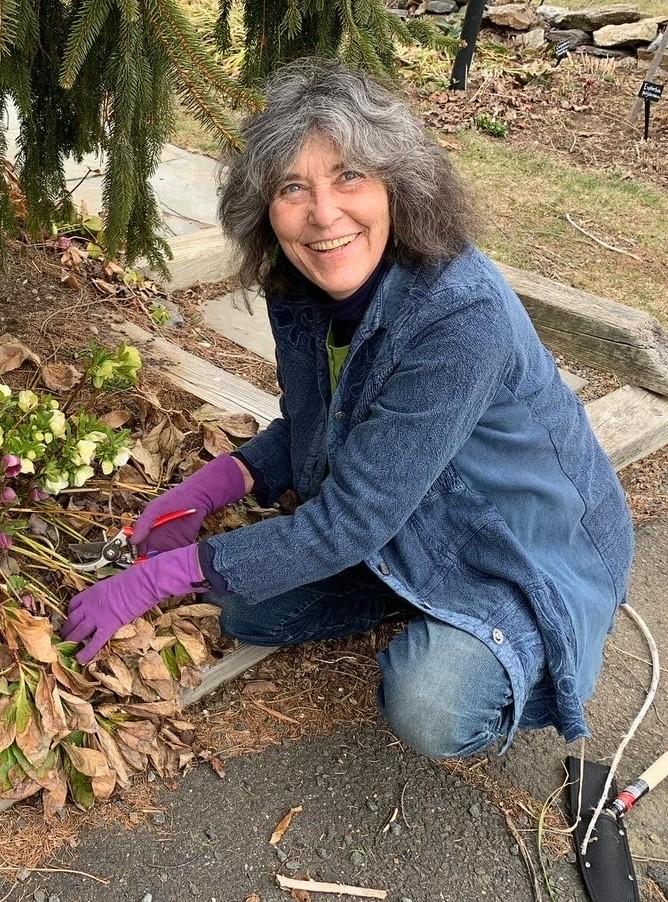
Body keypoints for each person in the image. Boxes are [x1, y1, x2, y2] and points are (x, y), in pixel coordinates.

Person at [63, 60, 634, 759]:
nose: (323, 214)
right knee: (244, 604)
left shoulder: (461, 319)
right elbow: (320, 427)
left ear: (399, 185)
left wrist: (154, 579)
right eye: (292, 188)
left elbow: (349, 519)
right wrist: (212, 487)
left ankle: (511, 636)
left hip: (526, 547)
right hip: (404, 510)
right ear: (265, 208)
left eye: (349, 178)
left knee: (432, 704)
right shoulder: (300, 287)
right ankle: (408, 588)